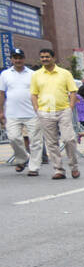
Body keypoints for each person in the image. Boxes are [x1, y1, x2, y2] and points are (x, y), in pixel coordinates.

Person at [30, 48, 80, 180]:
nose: (44, 59)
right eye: (42, 57)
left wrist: (70, 106)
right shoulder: (36, 75)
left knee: (69, 139)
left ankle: (74, 166)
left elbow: (73, 91)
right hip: (45, 112)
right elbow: (34, 94)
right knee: (51, 143)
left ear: (53, 58)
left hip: (63, 110)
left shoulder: (65, 73)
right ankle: (59, 170)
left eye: (47, 57)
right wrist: (37, 109)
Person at [0, 47, 39, 175]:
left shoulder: (33, 74)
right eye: (15, 58)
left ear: (24, 59)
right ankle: (22, 158)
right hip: (11, 113)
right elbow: (1, 93)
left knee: (35, 141)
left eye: (20, 58)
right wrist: (1, 111)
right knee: (13, 138)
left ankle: (34, 167)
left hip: (32, 113)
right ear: (11, 59)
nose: (18, 60)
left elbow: (38, 93)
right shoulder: (5, 74)